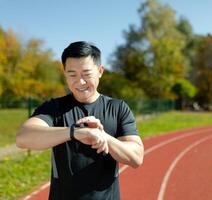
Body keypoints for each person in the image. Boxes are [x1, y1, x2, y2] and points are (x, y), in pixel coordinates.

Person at [16, 41, 144, 200]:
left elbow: (136, 158)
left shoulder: (118, 108)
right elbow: (23, 138)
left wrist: (104, 137)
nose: (80, 82)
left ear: (100, 71)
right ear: (65, 74)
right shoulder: (54, 108)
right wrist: (74, 132)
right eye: (72, 74)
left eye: (86, 74)